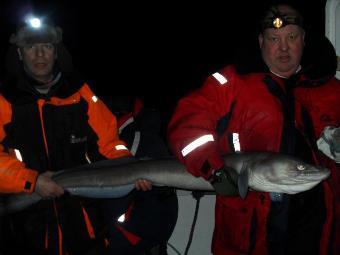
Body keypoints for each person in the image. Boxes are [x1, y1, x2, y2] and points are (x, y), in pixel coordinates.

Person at [167, 3, 340, 255]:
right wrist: (214, 170)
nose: (283, 47)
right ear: (261, 42)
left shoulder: (332, 90)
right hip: (249, 234)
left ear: (304, 39)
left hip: (320, 235)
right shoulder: (231, 84)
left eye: (291, 37)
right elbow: (186, 125)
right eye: (274, 38)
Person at [0, 15, 150, 255]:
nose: (40, 54)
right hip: (27, 229)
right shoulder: (5, 100)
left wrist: (132, 169)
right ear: (19, 53)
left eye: (47, 47)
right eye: (31, 47)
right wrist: (31, 181)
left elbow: (111, 144)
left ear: (56, 52)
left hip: (86, 224)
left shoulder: (81, 94)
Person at [100, 95, 178, 255]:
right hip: (133, 239)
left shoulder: (138, 141)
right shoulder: (115, 140)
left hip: (135, 243)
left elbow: (113, 204)